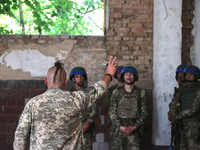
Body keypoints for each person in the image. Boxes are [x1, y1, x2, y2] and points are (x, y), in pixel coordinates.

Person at [13, 56, 117, 150]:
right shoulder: (77, 99)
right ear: (65, 82)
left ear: (45, 81)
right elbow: (99, 88)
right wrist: (109, 73)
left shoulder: (33, 104)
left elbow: (20, 136)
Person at [108, 66, 148, 150]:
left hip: (134, 130)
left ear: (135, 76)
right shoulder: (116, 92)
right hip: (118, 131)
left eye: (131, 74)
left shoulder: (141, 92)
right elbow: (112, 111)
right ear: (123, 76)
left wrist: (135, 126)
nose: (128, 76)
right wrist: (120, 126)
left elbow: (144, 112)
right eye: (126, 74)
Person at [168, 65, 200, 150]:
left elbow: (194, 109)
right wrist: (172, 114)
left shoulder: (198, 89)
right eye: (187, 75)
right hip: (181, 124)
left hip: (194, 125)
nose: (188, 77)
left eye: (191, 74)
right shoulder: (181, 90)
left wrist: (177, 117)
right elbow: (173, 103)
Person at [68, 66, 96, 150]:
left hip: (87, 128)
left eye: (81, 76)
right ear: (73, 79)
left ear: (84, 78)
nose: (79, 79)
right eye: (77, 77)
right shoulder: (69, 93)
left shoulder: (90, 92)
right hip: (73, 129)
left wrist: (87, 123)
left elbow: (94, 109)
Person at [168, 64, 188, 149]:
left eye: (182, 76)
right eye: (178, 76)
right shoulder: (178, 92)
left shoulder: (194, 91)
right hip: (180, 126)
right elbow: (173, 106)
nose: (180, 78)